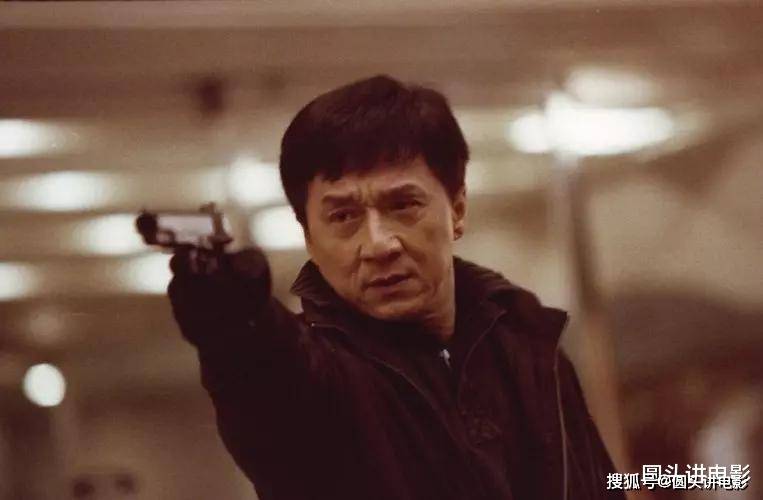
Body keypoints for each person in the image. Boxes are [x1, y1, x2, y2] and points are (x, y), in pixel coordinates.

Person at [168, 75, 623, 500]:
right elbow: (262, 371)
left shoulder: (529, 348)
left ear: (457, 209)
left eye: (403, 205)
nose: (379, 244)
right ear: (309, 237)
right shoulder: (317, 378)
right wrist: (234, 323)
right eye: (343, 216)